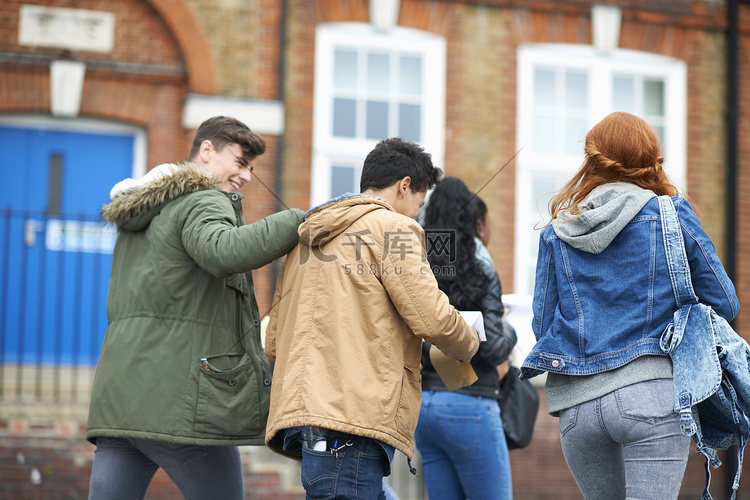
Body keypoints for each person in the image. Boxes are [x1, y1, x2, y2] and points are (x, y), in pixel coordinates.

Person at [520, 112, 740, 500]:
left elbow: (543, 325)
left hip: (577, 406)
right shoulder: (672, 215)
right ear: (651, 162)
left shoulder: (557, 231)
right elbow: (725, 301)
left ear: (591, 161)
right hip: (651, 394)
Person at [86, 116, 305, 500]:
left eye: (252, 168)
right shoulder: (201, 198)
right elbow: (224, 250)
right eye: (240, 162)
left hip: (119, 400)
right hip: (181, 402)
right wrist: (299, 220)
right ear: (206, 151)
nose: (248, 176)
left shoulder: (142, 216)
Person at [264, 137, 480, 500]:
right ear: (404, 186)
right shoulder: (393, 228)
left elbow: (273, 341)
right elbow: (431, 317)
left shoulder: (307, 238)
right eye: (419, 204)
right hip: (353, 419)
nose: (417, 214)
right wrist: (469, 341)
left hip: (307, 417)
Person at [415, 177, 516, 500]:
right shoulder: (479, 264)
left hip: (425, 407)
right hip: (469, 405)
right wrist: (511, 328)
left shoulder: (415, 263)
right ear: (473, 221)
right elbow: (494, 347)